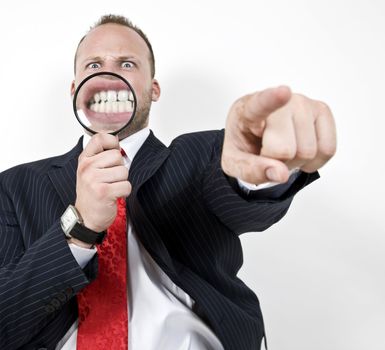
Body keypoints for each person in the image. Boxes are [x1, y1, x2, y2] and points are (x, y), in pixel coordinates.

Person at [0, 14, 336, 350]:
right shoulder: (14, 187)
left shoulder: (202, 157)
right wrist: (80, 228)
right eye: (93, 65)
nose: (110, 72)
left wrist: (264, 167)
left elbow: (239, 194)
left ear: (154, 89)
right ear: (75, 90)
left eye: (127, 63)